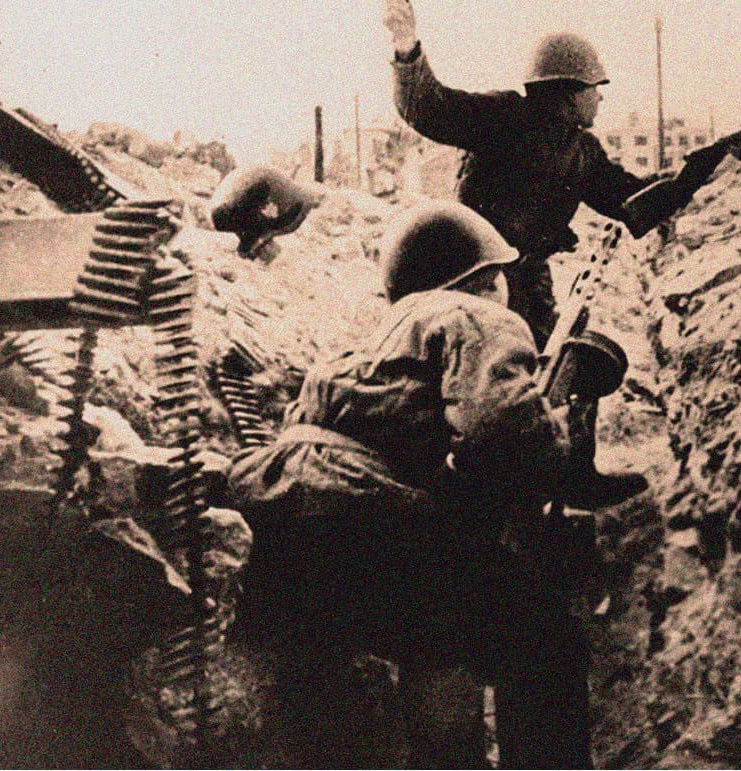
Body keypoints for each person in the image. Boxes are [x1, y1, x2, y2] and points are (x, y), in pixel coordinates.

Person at [227, 200, 605, 768]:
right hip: (370, 513)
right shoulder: (474, 313)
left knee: (432, 635)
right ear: (482, 278)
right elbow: (498, 422)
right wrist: (555, 442)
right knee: (540, 638)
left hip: (281, 513)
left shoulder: (365, 345)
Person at [383, 0, 730, 347]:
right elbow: (428, 108)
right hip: (477, 282)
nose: (599, 99)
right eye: (595, 88)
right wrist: (406, 48)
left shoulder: (582, 152)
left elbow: (634, 202)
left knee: (545, 370)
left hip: (532, 284)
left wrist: (701, 170)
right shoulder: (505, 117)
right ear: (569, 91)